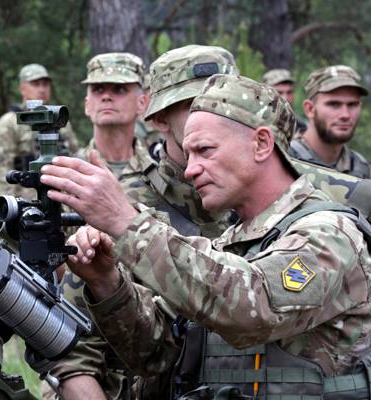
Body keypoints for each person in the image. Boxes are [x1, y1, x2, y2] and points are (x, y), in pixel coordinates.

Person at [41, 74, 371, 399]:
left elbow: (252, 309)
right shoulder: (234, 241)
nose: (190, 169)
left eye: (205, 150)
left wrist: (125, 221)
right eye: (189, 154)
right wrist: (106, 282)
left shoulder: (329, 233)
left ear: (261, 144)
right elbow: (157, 351)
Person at [49, 45, 239, 400]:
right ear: (160, 118)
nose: (217, 117)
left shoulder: (271, 199)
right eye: (196, 106)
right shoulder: (116, 206)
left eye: (229, 104)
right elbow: (71, 350)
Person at [0, 63, 78, 203]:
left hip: (64, 201)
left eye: (45, 84)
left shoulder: (59, 120)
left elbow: (75, 156)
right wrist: (12, 208)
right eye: (35, 84)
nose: (42, 89)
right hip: (29, 204)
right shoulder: (9, 123)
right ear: (22, 88)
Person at [288, 65, 370, 178]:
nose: (345, 115)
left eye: (352, 105)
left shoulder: (362, 169)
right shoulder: (284, 161)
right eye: (334, 104)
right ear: (310, 109)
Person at [263, 68, 307, 133]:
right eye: (279, 92)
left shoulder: (300, 127)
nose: (285, 98)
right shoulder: (252, 121)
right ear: (265, 93)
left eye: (289, 92)